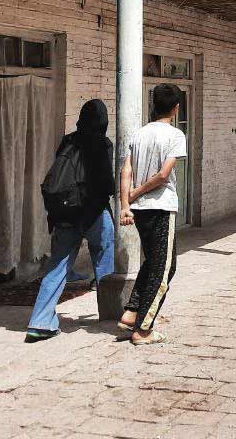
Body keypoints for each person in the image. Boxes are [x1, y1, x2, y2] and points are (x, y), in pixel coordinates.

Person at [24, 99, 116, 343]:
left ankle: (40, 322)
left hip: (64, 215)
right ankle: (110, 312)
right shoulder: (102, 143)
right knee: (105, 259)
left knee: (57, 267)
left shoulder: (68, 141)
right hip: (93, 214)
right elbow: (106, 184)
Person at [117, 83, 187, 346]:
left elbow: (126, 171)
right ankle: (143, 329)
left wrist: (126, 203)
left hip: (140, 211)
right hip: (160, 207)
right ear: (176, 108)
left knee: (153, 262)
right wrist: (134, 194)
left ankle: (131, 312)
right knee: (165, 268)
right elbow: (163, 175)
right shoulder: (175, 135)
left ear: (153, 105)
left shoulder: (139, 134)